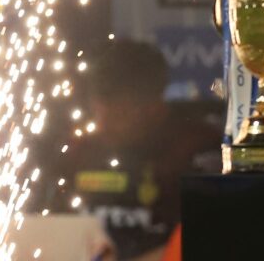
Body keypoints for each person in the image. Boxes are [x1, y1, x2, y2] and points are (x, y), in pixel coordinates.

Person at [43, 39, 223, 260]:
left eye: (121, 111)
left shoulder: (196, 149)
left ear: (153, 104)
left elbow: (211, 238)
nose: (105, 120)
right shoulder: (78, 153)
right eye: (99, 106)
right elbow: (46, 231)